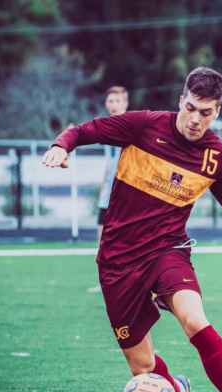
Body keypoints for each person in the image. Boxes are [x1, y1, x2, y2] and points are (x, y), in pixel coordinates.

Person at [42, 67, 222, 392]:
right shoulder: (142, 126)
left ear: (216, 111)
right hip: (118, 262)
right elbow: (85, 131)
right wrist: (60, 146)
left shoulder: (218, 156)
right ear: (179, 101)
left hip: (167, 251)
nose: (195, 119)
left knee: (194, 319)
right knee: (143, 368)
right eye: (190, 108)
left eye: (205, 112)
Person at [87, 86, 129, 294]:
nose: (113, 105)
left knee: (129, 244)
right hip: (106, 198)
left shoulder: (132, 128)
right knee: (102, 243)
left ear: (125, 104)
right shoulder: (105, 127)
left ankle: (135, 283)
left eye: (117, 101)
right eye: (110, 101)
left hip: (126, 199)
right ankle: (104, 284)